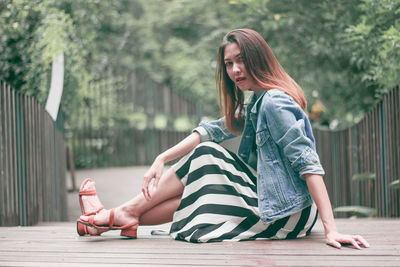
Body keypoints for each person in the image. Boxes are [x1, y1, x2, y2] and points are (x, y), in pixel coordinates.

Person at [78, 28, 369, 249]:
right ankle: (112, 221)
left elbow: (308, 163)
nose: (234, 70)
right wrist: (161, 158)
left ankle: (118, 214)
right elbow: (213, 129)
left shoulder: (275, 103)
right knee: (202, 188)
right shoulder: (258, 102)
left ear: (259, 59)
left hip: (289, 213)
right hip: (280, 207)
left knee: (208, 155)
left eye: (241, 61)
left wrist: (331, 229)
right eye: (229, 64)